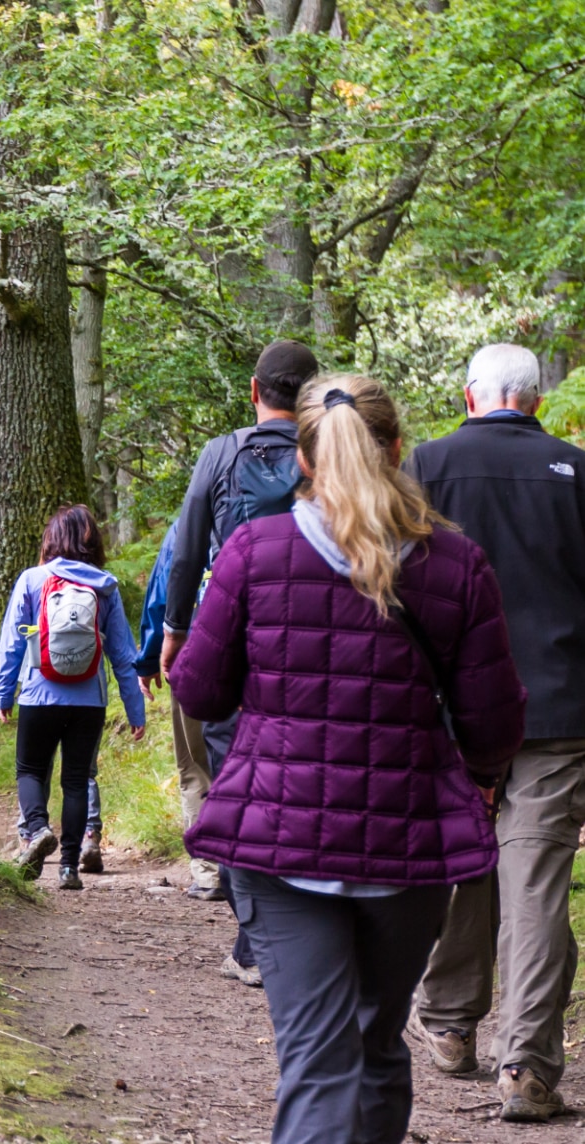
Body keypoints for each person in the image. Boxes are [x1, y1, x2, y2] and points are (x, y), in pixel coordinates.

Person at [170, 373, 525, 1144]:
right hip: (409, 845)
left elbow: (199, 691)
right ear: (397, 450)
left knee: (320, 1059)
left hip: (278, 843)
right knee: (377, 1044)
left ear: (304, 459)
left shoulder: (254, 552)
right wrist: (481, 778)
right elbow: (494, 727)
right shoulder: (456, 565)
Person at [404, 344, 585, 1122]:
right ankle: (528, 1067)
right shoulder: (577, 473)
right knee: (536, 879)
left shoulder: (427, 465)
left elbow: (396, 586)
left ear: (467, 396)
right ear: (536, 400)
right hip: (557, 709)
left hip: (450, 706)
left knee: (461, 859)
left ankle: (449, 1023)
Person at [160, 338, 319, 987]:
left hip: (238, 635)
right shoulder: (332, 454)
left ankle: (257, 940)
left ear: (255, 391)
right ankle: (292, 929)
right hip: (317, 643)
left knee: (234, 781)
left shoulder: (222, 453)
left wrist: (176, 630)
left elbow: (187, 549)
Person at [0, 505, 146, 890]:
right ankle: (69, 868)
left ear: (51, 540)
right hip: (89, 701)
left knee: (30, 770)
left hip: (39, 695)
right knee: (76, 781)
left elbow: (11, 645)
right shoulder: (105, 585)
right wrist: (136, 709)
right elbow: (123, 654)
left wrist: (2, 694)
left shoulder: (32, 579)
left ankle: (37, 830)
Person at [135, 522, 219, 900]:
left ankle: (210, 873)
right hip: (258, 658)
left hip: (193, 658)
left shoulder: (186, 529)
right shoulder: (275, 514)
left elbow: (162, 595)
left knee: (196, 766)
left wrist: (149, 658)